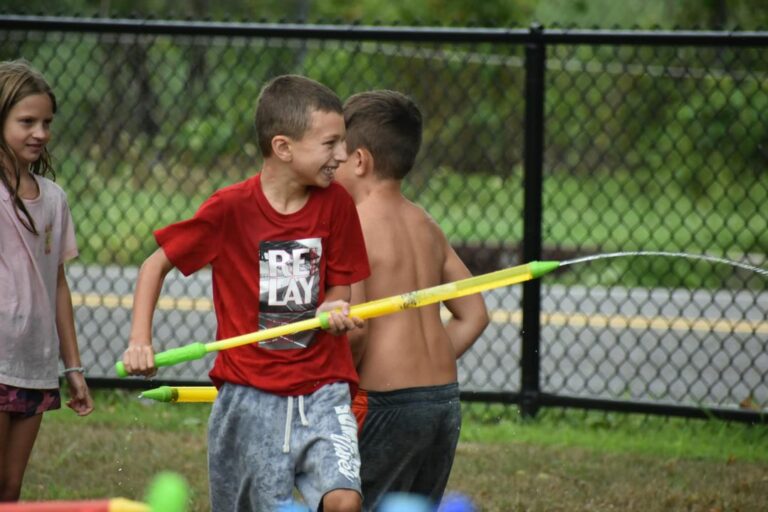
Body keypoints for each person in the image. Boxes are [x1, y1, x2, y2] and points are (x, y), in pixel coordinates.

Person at [121, 75, 370, 512]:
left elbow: (340, 286)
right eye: (330, 143)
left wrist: (334, 304)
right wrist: (140, 340)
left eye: (344, 142)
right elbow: (153, 265)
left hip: (323, 388)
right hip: (249, 394)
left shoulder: (338, 206)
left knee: (345, 501)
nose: (343, 155)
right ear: (283, 147)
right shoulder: (229, 209)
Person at [335, 90, 490, 512]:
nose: (332, 165)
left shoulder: (353, 226)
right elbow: (474, 314)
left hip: (384, 402)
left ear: (361, 160)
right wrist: (426, 362)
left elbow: (358, 331)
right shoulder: (426, 224)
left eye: (338, 155)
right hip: (441, 402)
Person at [0, 59, 94, 502]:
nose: (40, 132)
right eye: (26, 121)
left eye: (46, 122)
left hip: (35, 362)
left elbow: (57, 283)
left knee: (10, 488)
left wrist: (72, 368)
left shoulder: (54, 199)